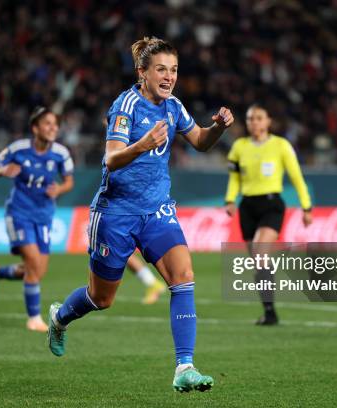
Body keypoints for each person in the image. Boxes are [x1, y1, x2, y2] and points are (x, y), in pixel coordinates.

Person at [47, 37, 233, 393]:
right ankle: (59, 318)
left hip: (156, 209)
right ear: (142, 73)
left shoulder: (174, 106)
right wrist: (142, 145)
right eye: (161, 69)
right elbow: (111, 158)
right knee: (101, 298)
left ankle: (184, 366)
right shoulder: (126, 105)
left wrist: (219, 129)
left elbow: (200, 141)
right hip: (115, 213)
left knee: (183, 276)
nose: (169, 77)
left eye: (174, 70)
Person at [0, 107, 74, 332]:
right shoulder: (18, 149)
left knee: (37, 271)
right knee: (33, 263)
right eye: (47, 124)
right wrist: (3, 171)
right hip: (19, 213)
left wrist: (59, 189)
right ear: (35, 128)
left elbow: (69, 181)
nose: (53, 128)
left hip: (44, 217)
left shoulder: (61, 153)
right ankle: (34, 318)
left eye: (55, 124)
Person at [224, 104, 312, 326]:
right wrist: (230, 199)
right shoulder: (239, 147)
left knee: (261, 252)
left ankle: (270, 311)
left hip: (271, 205)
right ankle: (269, 311)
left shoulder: (281, 146)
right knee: (258, 262)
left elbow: (297, 177)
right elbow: (235, 178)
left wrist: (306, 207)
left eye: (259, 118)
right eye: (250, 118)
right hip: (247, 207)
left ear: (268, 121)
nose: (254, 122)